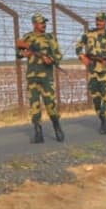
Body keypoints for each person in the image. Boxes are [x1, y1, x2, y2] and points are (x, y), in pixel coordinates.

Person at [16, 13, 64, 142]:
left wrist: (51, 59)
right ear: (35, 24)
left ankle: (57, 127)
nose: (44, 25)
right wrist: (25, 53)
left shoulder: (50, 38)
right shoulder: (27, 37)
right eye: (41, 22)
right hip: (32, 77)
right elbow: (18, 52)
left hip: (46, 77)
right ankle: (38, 132)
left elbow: (58, 54)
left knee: (50, 104)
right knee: (34, 106)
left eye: (45, 23)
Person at [75, 11, 106, 134]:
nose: (99, 22)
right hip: (92, 70)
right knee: (96, 99)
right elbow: (78, 46)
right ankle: (102, 118)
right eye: (97, 20)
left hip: (105, 71)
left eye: (101, 20)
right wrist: (81, 56)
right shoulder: (88, 34)